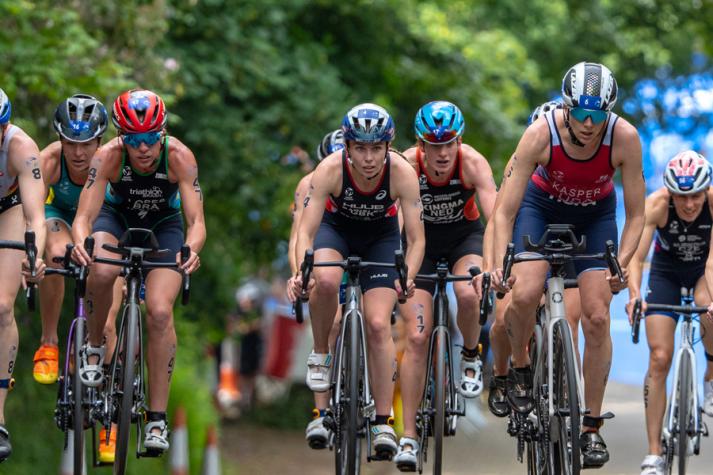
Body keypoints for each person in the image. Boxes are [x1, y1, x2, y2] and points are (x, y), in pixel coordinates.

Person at [487, 61, 645, 468]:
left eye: (598, 115)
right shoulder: (541, 133)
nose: (589, 124)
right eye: (580, 113)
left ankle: (591, 426)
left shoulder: (624, 137)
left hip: (595, 217)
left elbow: (638, 215)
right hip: (541, 209)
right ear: (565, 107)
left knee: (596, 316)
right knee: (523, 293)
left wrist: (621, 263)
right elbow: (504, 211)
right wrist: (500, 265)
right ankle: (521, 365)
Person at [71, 89, 205, 458]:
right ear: (120, 137)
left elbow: (196, 221)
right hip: (116, 219)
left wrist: (191, 249)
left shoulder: (179, 157)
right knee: (100, 270)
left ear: (161, 134)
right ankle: (95, 345)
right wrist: (82, 241)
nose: (143, 148)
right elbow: (84, 216)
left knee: (160, 311)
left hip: (165, 225)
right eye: (133, 139)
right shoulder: (107, 157)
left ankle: (157, 418)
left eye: (150, 139)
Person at [289, 103, 425, 459]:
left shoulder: (402, 173)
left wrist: (407, 276)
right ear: (347, 147)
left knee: (379, 323)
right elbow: (305, 231)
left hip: (379, 238)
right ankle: (320, 354)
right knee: (327, 280)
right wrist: (302, 273)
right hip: (335, 233)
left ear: (387, 147)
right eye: (360, 148)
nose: (368, 158)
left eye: (376, 148)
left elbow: (417, 238)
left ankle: (382, 419)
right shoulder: (329, 170)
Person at [393, 100, 497, 470]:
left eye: (448, 143)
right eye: (433, 145)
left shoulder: (472, 163)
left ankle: (470, 354)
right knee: (417, 337)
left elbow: (496, 218)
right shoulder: (404, 164)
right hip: (418, 245)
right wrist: (396, 267)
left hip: (462, 241)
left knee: (469, 292)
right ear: (421, 145)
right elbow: (396, 227)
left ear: (459, 141)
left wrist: (495, 265)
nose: (441, 152)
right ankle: (407, 436)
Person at [485, 100, 581, 418]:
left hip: (564, 243)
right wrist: (494, 267)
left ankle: (568, 387)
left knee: (572, 318)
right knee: (503, 317)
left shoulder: (574, 166)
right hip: (522, 240)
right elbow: (498, 221)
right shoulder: (519, 164)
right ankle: (502, 374)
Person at [627, 152, 713, 475]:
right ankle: (654, 454)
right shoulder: (658, 205)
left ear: (706, 191)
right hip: (666, 272)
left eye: (695, 196)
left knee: (708, 309)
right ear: (670, 192)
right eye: (681, 196)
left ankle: (710, 375)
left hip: (704, 270)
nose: (689, 205)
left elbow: (712, 262)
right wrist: (636, 295)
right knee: (659, 358)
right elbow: (636, 257)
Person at [33, 94, 123, 386]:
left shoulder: (114, 161)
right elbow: (31, 212)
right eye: (70, 143)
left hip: (102, 217)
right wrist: (30, 252)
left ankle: (111, 410)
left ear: (100, 142)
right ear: (60, 139)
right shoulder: (49, 160)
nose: (78, 153)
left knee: (108, 310)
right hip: (59, 213)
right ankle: (49, 340)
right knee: (57, 254)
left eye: (86, 144)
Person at [287, 129, 346, 449]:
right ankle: (321, 411)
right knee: (331, 322)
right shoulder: (308, 184)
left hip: (360, 247)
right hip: (325, 247)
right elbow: (299, 236)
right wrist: (300, 274)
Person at [0, 87, 47, 462]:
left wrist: (34, 255)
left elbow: (35, 216)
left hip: (9, 209)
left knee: (1, 307)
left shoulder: (22, 149)